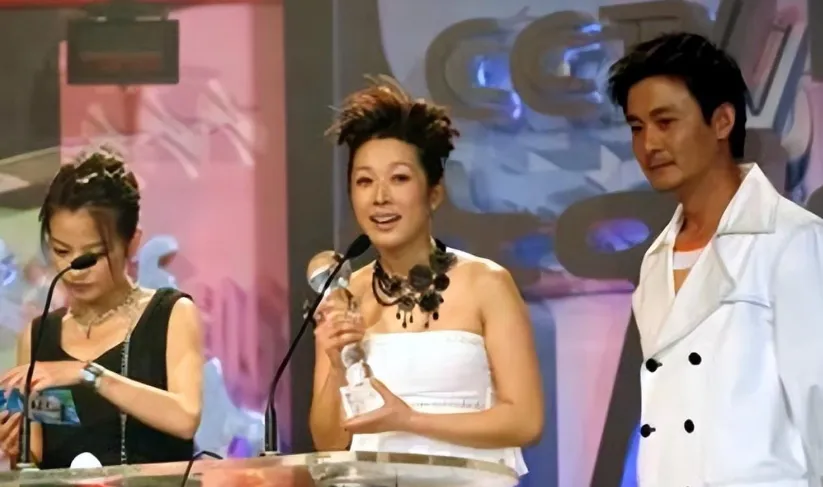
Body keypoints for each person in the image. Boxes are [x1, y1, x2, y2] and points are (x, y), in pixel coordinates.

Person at [608, 32, 823, 486]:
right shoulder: (656, 260)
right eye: (637, 127)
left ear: (722, 121)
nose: (649, 144)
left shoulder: (791, 239)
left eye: (666, 122)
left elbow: (816, 400)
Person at [309, 75, 543, 476]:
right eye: (364, 181)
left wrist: (408, 420)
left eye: (399, 178)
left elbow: (525, 420)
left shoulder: (486, 283)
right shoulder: (344, 294)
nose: (380, 197)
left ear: (434, 192)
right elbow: (329, 442)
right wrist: (336, 364)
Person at [0, 147, 204, 469]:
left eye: (91, 255)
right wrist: (17, 450)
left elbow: (185, 417)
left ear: (132, 243)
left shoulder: (171, 314)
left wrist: (87, 374)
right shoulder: (37, 336)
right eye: (61, 251)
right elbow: (35, 459)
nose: (74, 269)